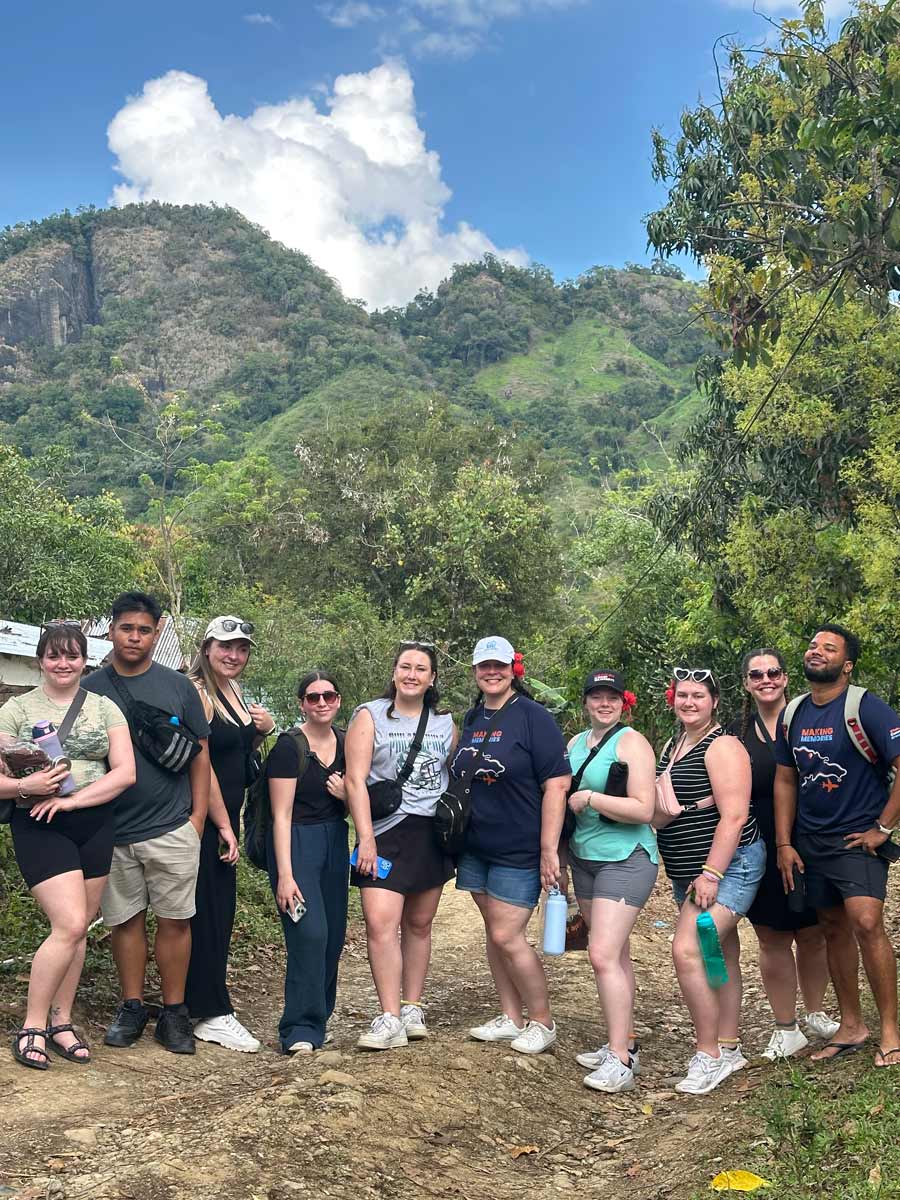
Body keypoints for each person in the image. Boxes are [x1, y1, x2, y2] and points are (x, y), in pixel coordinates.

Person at [0, 622, 136, 1070]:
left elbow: (124, 772)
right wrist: (28, 786)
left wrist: (74, 799)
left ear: (84, 660)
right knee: (70, 922)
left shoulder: (105, 708)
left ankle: (62, 1021)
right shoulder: (16, 709)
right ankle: (32, 1025)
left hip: (93, 821)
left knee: (79, 928)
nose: (64, 664)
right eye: (55, 656)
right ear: (41, 660)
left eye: (72, 656)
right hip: (39, 822)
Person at [82, 591, 211, 1055]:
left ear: (157, 633)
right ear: (111, 630)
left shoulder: (178, 687)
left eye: (144, 629)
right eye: (126, 628)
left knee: (176, 921)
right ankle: (132, 1006)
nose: (134, 637)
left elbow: (201, 755)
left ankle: (174, 1012)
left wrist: (196, 819)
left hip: (171, 826)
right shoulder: (90, 687)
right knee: (124, 921)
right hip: (111, 830)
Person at [775, 624, 900, 1068]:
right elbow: (786, 778)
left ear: (846, 665)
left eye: (829, 648)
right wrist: (785, 842)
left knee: (866, 923)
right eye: (812, 645)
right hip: (810, 841)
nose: (816, 651)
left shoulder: (865, 707)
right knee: (831, 927)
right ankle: (852, 1025)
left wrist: (882, 828)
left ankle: (890, 1030)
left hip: (857, 839)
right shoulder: (793, 714)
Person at [455, 636, 571, 1055]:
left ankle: (542, 1020)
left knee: (508, 935)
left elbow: (557, 784)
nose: (491, 672)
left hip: (519, 846)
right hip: (476, 845)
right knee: (494, 933)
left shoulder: (533, 717)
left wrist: (548, 849)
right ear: (475, 671)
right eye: (484, 666)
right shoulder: (472, 718)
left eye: (499, 666)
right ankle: (510, 1015)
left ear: (512, 669)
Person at [656, 667, 764, 1095]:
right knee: (719, 953)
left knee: (688, 949)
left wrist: (712, 873)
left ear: (714, 701)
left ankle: (708, 1055)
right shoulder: (674, 743)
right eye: (683, 695)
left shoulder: (723, 746)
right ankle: (729, 1043)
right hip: (689, 867)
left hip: (727, 866)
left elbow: (735, 815)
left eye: (698, 696)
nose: (689, 702)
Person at [345, 641, 457, 1050]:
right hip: (385, 831)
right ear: (394, 672)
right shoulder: (368, 715)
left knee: (419, 924)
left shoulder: (445, 722)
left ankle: (412, 1006)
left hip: (430, 832)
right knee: (380, 923)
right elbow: (355, 780)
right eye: (405, 667)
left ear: (432, 679)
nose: (412, 675)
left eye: (421, 669)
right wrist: (366, 839)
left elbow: (450, 778)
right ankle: (389, 1015)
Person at [732, 649, 838, 1060]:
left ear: (786, 677)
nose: (766, 680)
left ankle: (815, 1013)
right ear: (746, 683)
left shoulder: (809, 720)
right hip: (760, 843)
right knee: (773, 935)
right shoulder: (737, 735)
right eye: (756, 674)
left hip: (812, 839)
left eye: (773, 672)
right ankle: (785, 1026)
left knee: (814, 932)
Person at [184, 616, 276, 1053]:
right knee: (206, 911)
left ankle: (199, 1001)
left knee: (218, 910)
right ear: (207, 648)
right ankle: (209, 1011)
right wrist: (222, 823)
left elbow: (236, 754)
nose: (233, 655)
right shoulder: (198, 694)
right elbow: (201, 767)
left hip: (226, 816)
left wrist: (262, 731)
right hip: (202, 817)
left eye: (241, 649)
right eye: (225, 647)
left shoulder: (234, 693)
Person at [567, 669, 658, 1092]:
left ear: (624, 701)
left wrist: (591, 799)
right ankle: (624, 1041)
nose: (604, 703)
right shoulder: (573, 745)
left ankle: (620, 1061)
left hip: (626, 858)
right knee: (615, 954)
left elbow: (644, 808)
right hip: (584, 857)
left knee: (601, 954)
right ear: (585, 701)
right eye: (596, 696)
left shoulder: (631, 742)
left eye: (612, 697)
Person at [267, 670, 349, 1054]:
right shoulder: (289, 748)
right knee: (308, 933)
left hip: (335, 841)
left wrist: (348, 793)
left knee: (332, 938)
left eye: (328, 696)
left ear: (338, 701)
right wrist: (285, 874)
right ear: (301, 703)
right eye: (313, 697)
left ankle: (320, 1018)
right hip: (296, 844)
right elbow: (279, 815)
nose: (321, 703)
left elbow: (365, 797)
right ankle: (298, 1027)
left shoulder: (348, 744)